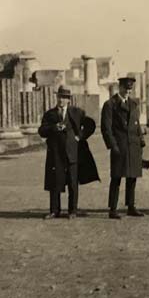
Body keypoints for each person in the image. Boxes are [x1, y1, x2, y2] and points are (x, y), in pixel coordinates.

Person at [38, 86, 100, 218]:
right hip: (55, 153)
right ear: (57, 98)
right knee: (55, 182)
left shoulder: (77, 112)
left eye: (64, 98)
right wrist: (54, 127)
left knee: (73, 182)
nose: (61, 100)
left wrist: (80, 137)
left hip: (72, 152)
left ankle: (73, 211)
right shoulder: (50, 114)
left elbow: (90, 124)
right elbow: (42, 131)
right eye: (60, 97)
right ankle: (54, 210)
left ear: (68, 100)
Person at [100, 75, 146, 219]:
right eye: (125, 89)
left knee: (132, 177)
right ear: (119, 87)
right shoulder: (110, 104)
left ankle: (130, 206)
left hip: (133, 146)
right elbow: (106, 128)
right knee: (116, 177)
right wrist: (113, 146)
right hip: (119, 146)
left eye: (130, 89)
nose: (128, 92)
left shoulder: (133, 104)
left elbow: (137, 124)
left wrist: (141, 140)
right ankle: (112, 209)